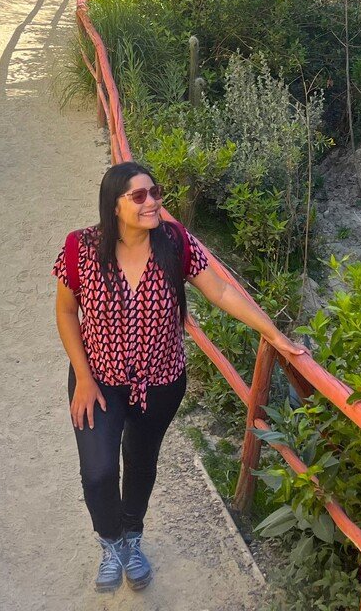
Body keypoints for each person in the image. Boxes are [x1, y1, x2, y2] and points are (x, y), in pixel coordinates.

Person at [53, 160, 307, 593]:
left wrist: (275, 335)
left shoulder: (175, 243)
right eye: (139, 196)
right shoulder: (81, 247)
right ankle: (110, 543)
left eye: (155, 192)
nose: (152, 202)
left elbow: (222, 290)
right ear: (114, 205)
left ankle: (133, 539)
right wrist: (83, 374)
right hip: (97, 378)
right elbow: (65, 310)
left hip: (161, 380)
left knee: (140, 461)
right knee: (97, 471)